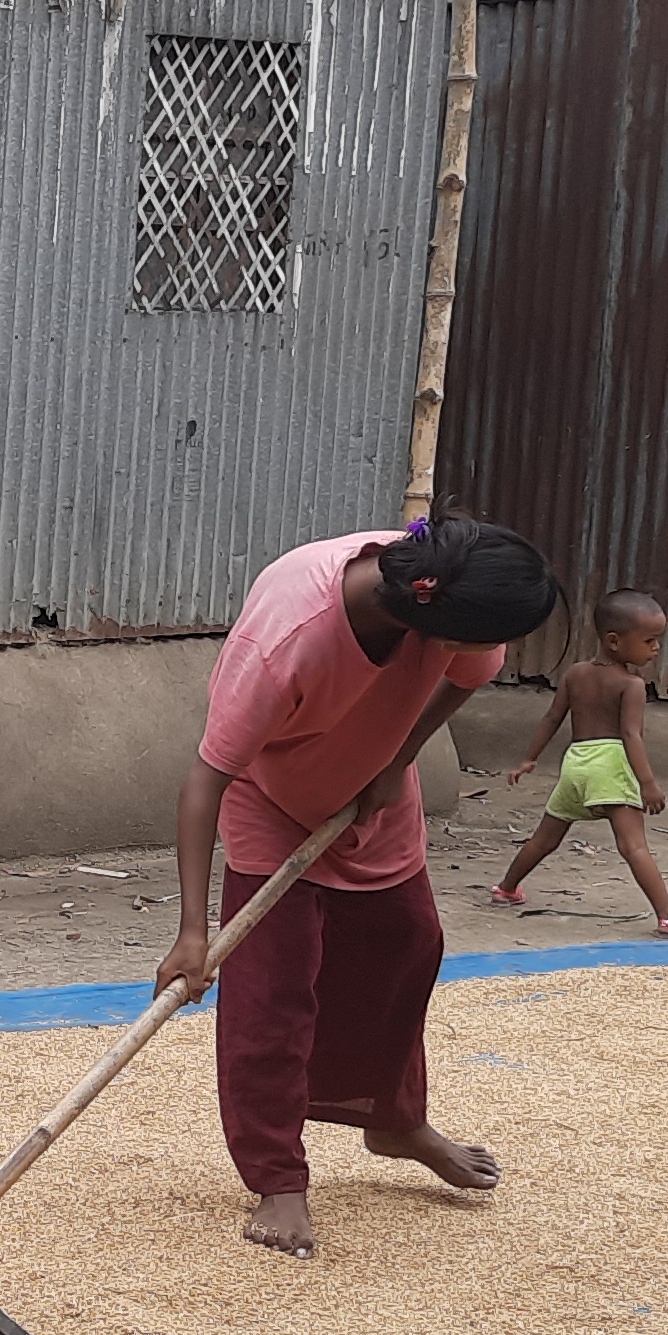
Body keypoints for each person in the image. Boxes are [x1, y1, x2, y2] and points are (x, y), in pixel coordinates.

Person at [154, 515, 560, 1260]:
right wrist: (191, 933)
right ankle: (278, 1177)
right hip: (271, 797)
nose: (495, 652)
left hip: (375, 788)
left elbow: (468, 677)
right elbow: (206, 780)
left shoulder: (453, 600)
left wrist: (395, 759)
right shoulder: (288, 639)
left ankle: (394, 1120)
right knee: (273, 987)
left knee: (406, 944)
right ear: (433, 620)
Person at [491, 590, 668, 938]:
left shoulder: (575, 673)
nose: (656, 648)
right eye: (649, 640)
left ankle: (506, 888)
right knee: (633, 846)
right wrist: (647, 783)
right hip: (611, 765)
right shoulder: (631, 685)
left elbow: (552, 717)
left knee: (544, 839)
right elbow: (632, 736)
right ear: (614, 641)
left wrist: (530, 758)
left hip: (576, 763)